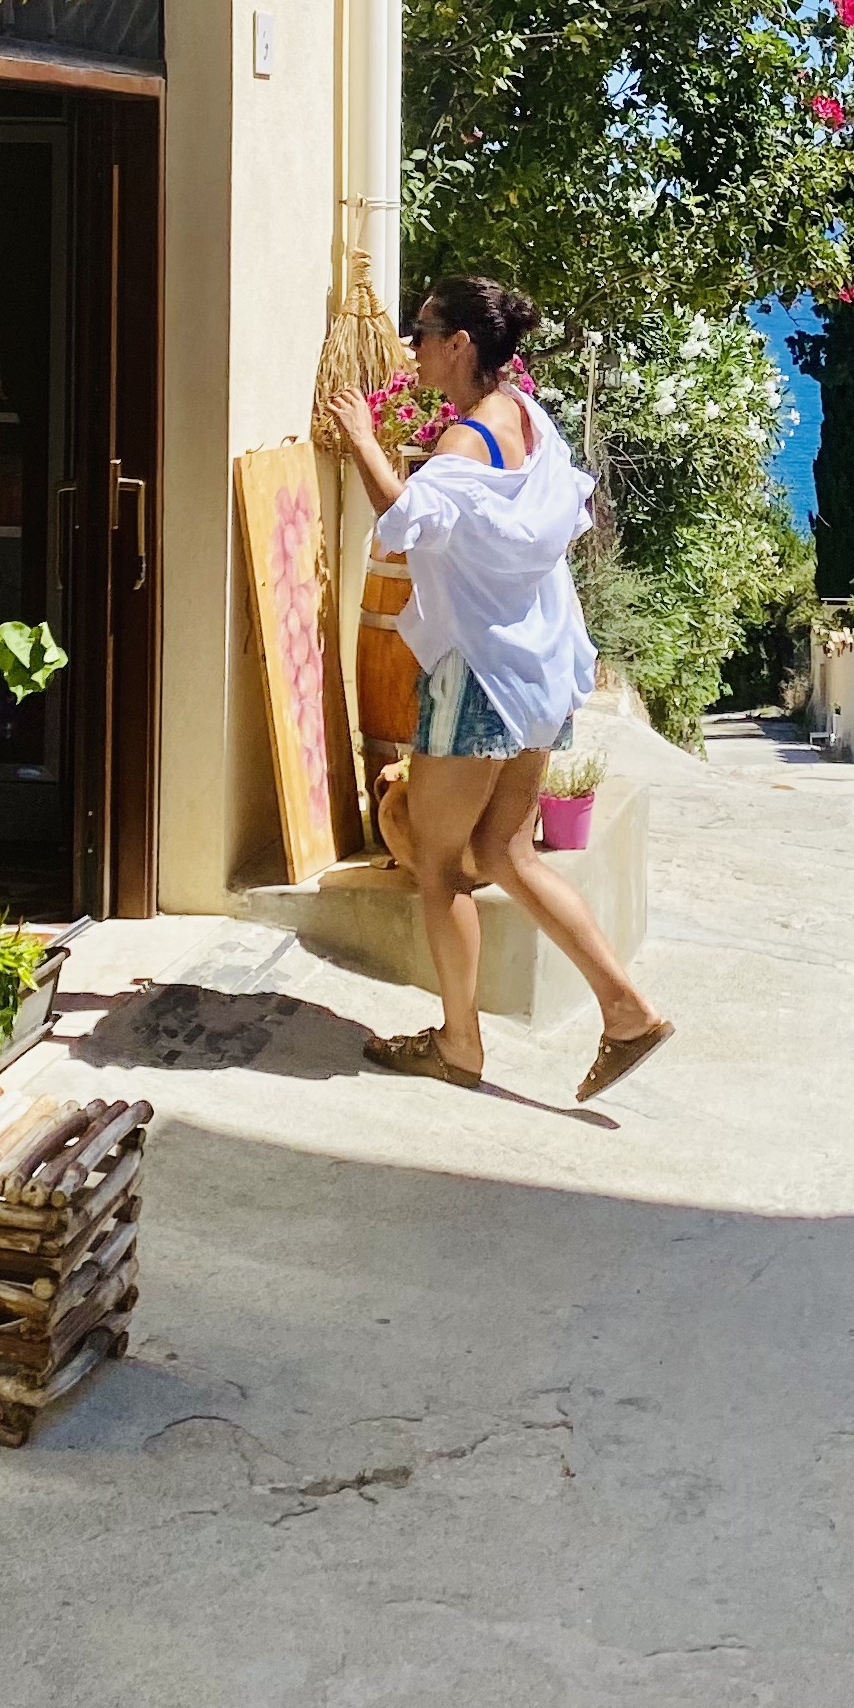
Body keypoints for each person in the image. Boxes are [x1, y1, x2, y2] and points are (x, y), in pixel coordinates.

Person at [324, 275, 673, 1104]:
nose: (412, 346)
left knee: (438, 863)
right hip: (540, 672)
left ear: (460, 345)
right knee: (505, 853)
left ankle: (458, 1044)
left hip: (477, 675)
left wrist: (364, 438)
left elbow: (403, 522)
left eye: (423, 332)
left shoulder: (461, 445)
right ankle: (626, 1011)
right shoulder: (527, 418)